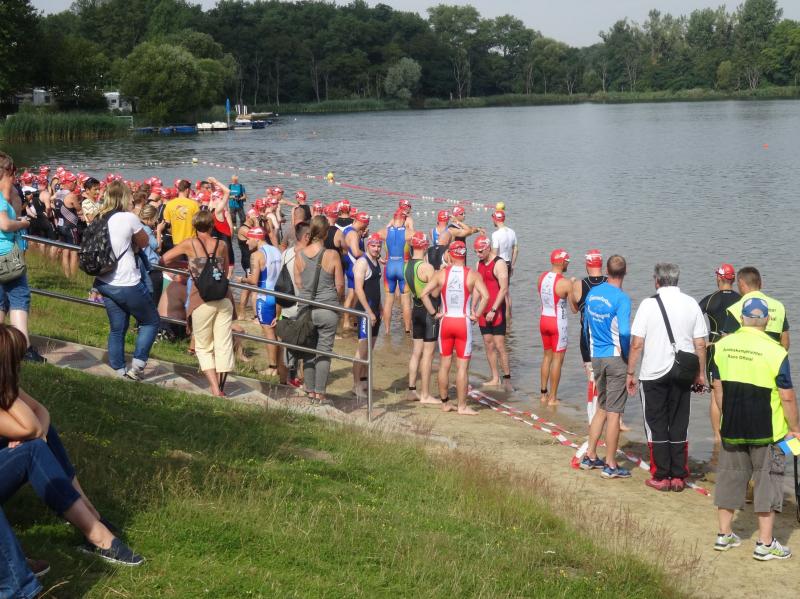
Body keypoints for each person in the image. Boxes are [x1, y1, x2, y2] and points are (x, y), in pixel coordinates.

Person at [0, 324, 144, 566]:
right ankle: (97, 534)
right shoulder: (6, 388)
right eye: (16, 361)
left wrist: (37, 433)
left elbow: (41, 412)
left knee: (45, 434)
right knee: (34, 448)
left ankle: (87, 509)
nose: (20, 366)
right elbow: (30, 426)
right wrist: (9, 390)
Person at [711, 297, 799, 560]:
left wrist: (727, 415)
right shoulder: (776, 351)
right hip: (767, 430)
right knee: (767, 481)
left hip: (732, 425)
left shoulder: (722, 346)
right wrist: (795, 427)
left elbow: (718, 387)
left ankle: (724, 535)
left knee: (729, 477)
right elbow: (786, 396)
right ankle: (765, 543)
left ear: (742, 319)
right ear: (767, 320)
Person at [626, 263, 707, 492]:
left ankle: (661, 475)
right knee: (680, 422)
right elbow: (700, 344)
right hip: (683, 372)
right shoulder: (691, 303)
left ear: (656, 280)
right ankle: (679, 475)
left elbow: (637, 344)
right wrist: (700, 374)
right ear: (677, 279)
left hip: (653, 372)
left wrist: (630, 373)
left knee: (656, 423)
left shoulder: (648, 304)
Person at [162, 210, 235, 397]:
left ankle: (214, 388)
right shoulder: (222, 245)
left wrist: (187, 266)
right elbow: (225, 271)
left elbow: (165, 259)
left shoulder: (190, 243)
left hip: (201, 299)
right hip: (223, 297)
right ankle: (222, 387)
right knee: (223, 343)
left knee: (203, 346)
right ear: (212, 225)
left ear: (194, 226)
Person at [92, 181, 160, 381]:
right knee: (151, 321)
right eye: (130, 195)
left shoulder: (99, 216)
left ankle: (118, 369)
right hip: (126, 281)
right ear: (123, 197)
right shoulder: (129, 217)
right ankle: (137, 367)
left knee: (118, 327)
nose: (132, 199)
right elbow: (145, 242)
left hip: (104, 280)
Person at [420, 241, 489, 416]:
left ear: (450, 255)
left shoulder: (441, 273)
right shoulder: (472, 274)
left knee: (444, 364)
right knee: (462, 367)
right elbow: (486, 296)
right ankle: (462, 406)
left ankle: (445, 403)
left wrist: (434, 313)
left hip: (446, 321)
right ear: (464, 255)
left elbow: (423, 294)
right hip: (462, 323)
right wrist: (476, 315)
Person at [579, 255, 633, 479]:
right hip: (615, 358)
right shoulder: (622, 298)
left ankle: (590, 455)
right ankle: (610, 464)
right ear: (625, 273)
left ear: (607, 271)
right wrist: (628, 358)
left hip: (596, 356)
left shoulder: (593, 293)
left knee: (602, 406)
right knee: (614, 412)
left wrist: (589, 354)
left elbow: (585, 325)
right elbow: (624, 332)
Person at [0, 152, 45, 363]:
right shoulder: (0, 200)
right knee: (20, 298)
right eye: (12, 175)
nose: (14, 179)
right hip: (8, 257)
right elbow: (4, 225)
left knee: (1, 301)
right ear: (6, 173)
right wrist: (23, 223)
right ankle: (24, 348)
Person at [294, 216, 344, 402]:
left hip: (305, 309)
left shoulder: (299, 255)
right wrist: (337, 301)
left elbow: (299, 283)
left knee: (308, 350)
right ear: (326, 233)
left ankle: (310, 391)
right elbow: (340, 285)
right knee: (324, 351)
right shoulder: (332, 255)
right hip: (327, 308)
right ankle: (320, 393)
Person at [698, 263, 741, 442]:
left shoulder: (710, 300)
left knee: (716, 392)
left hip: (714, 347)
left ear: (719, 278)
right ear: (733, 279)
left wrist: (701, 342)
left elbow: (693, 319)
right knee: (735, 390)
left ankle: (717, 437)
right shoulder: (742, 299)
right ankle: (735, 428)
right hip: (738, 348)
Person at [571, 249, 608, 423]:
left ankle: (593, 418)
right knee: (609, 380)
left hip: (587, 338)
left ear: (587, 265)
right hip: (607, 338)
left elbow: (574, 309)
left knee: (592, 379)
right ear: (601, 264)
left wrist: (571, 290)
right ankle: (613, 418)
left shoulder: (579, 284)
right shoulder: (610, 283)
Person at [405, 232, 440, 404]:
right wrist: (440, 276)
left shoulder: (406, 266)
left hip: (416, 310)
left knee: (416, 352)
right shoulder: (427, 268)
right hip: (428, 312)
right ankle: (425, 395)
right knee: (428, 354)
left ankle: (412, 390)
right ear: (425, 246)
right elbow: (435, 292)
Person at [244, 226, 283, 378]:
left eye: (248, 239)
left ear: (256, 239)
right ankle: (279, 366)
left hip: (265, 297)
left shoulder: (256, 255)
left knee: (268, 333)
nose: (247, 242)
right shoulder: (276, 250)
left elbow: (254, 281)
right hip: (278, 296)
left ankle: (272, 367)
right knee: (276, 332)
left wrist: (242, 280)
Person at [474, 235, 510, 387]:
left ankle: (507, 379)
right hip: (484, 310)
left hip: (497, 309)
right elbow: (477, 288)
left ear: (488, 248)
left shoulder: (499, 263)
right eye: (476, 251)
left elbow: (504, 289)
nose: (478, 254)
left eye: (481, 251)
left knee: (500, 345)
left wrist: (494, 310)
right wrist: (473, 308)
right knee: (488, 344)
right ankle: (495, 378)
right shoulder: (478, 264)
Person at [538, 249, 574, 406]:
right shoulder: (565, 283)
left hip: (544, 320)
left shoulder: (541, 277)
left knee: (547, 357)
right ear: (562, 262)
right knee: (558, 359)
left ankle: (543, 394)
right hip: (558, 323)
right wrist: (572, 287)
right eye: (567, 262)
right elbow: (574, 309)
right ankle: (553, 398)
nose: (568, 264)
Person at [722, 266, 789, 349]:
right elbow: (785, 342)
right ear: (761, 284)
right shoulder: (778, 306)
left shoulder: (736, 308)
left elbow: (727, 342)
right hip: (773, 355)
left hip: (746, 354)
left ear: (741, 284)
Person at [352, 233, 384, 398]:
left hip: (375, 310)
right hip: (365, 311)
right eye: (373, 246)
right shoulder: (362, 263)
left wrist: (380, 307)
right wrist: (369, 312)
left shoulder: (376, 261)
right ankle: (356, 385)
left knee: (369, 350)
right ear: (367, 246)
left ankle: (364, 381)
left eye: (378, 246)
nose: (376, 249)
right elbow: (359, 289)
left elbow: (375, 287)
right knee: (362, 350)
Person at [378, 210, 413, 334]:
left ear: (393, 219)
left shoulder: (384, 232)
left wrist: (379, 257)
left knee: (388, 301)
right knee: (406, 302)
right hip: (404, 267)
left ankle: (387, 331)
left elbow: (372, 240)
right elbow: (422, 243)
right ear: (404, 219)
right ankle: (407, 330)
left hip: (389, 267)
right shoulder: (409, 233)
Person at [341, 211, 369, 330]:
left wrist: (362, 236)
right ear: (363, 223)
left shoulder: (348, 230)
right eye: (366, 224)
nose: (367, 227)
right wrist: (369, 255)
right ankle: (349, 320)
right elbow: (356, 252)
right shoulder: (353, 234)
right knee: (356, 294)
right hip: (354, 267)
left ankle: (350, 320)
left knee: (352, 294)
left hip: (349, 265)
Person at [489, 209, 517, 319]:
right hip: (508, 262)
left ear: (495, 219)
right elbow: (516, 250)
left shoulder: (495, 234)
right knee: (507, 292)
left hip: (499, 263)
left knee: (502, 292)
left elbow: (495, 252)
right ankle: (510, 318)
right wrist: (513, 265)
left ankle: (505, 318)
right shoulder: (512, 232)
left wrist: (490, 264)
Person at [162, 179, 199, 246]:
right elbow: (198, 223)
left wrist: (175, 234)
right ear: (187, 190)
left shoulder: (169, 204)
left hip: (176, 241)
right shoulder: (194, 204)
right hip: (191, 242)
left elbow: (167, 225)